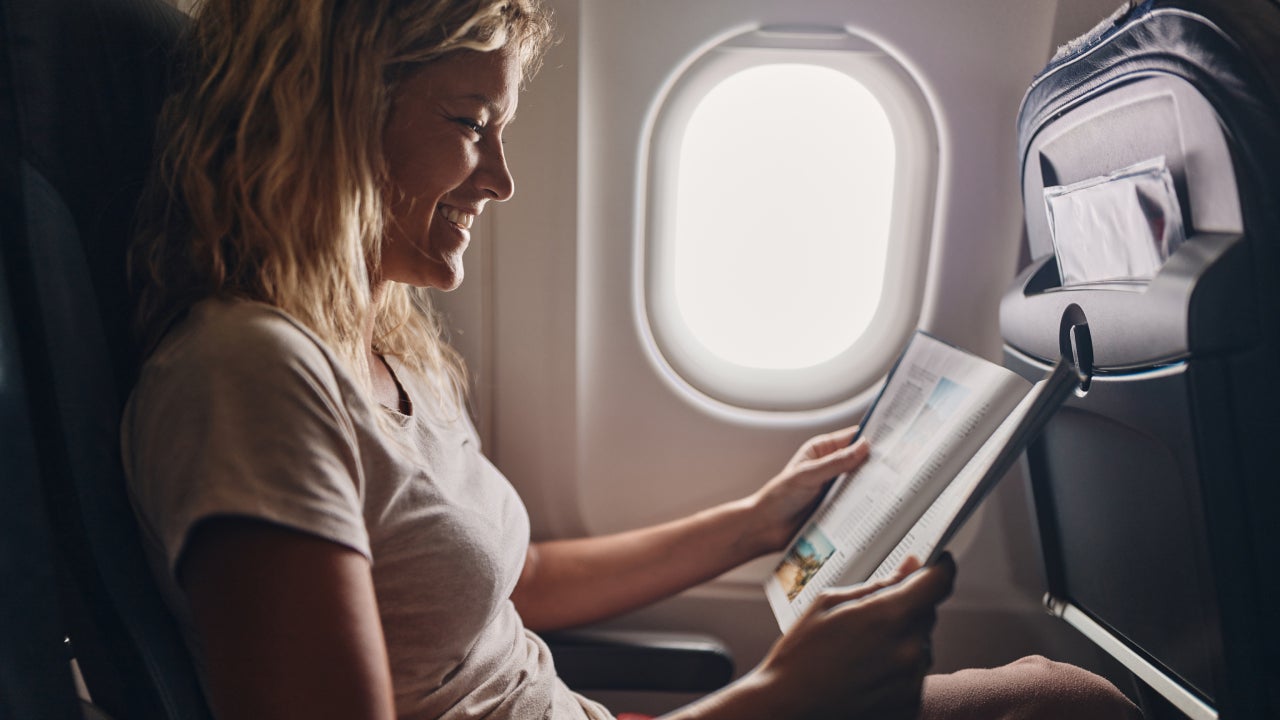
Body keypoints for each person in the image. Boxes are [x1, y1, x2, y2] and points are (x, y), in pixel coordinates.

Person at [122, 1, 1142, 718]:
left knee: (1060, 702)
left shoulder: (386, 346)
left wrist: (750, 526)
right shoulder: (247, 377)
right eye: (470, 124)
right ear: (330, 110)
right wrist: (777, 703)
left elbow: (508, 581)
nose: (501, 180)